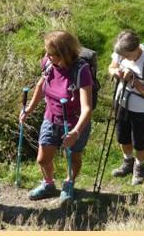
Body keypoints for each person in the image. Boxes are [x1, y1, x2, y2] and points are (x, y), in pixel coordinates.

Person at [22, 31, 94, 201]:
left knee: (73, 158)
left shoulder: (81, 71)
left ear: (63, 53)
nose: (47, 56)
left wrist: (75, 132)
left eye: (51, 53)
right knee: (42, 158)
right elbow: (41, 85)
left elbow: (87, 108)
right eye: (46, 52)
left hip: (75, 123)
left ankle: (69, 182)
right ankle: (48, 184)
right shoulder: (48, 63)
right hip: (51, 118)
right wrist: (28, 109)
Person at [107, 30, 144, 185]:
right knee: (122, 136)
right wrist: (115, 71)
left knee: (139, 141)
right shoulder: (121, 52)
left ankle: (139, 167)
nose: (122, 58)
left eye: (126, 55)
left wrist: (134, 81)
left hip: (141, 111)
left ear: (134, 50)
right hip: (121, 103)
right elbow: (111, 66)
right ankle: (127, 163)